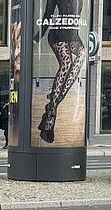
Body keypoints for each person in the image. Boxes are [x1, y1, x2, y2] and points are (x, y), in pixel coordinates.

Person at [34, 0, 85, 143]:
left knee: (82, 55)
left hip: (72, 36)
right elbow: (47, 15)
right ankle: (50, 118)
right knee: (66, 64)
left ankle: (52, 105)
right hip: (57, 34)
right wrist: (36, 39)